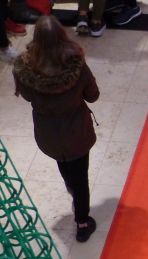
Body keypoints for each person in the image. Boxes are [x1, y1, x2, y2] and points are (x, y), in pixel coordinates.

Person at [13, 15, 100, 242]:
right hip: (77, 132)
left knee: (64, 165)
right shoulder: (77, 66)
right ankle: (83, 222)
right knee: (81, 177)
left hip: (48, 133)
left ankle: (71, 188)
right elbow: (93, 95)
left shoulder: (24, 69)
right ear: (62, 35)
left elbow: (27, 96)